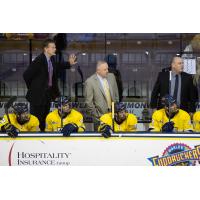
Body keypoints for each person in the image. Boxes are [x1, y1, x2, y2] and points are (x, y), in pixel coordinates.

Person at [23, 39, 77, 131]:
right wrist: (33, 88)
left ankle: (44, 139)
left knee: (44, 119)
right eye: (52, 47)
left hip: (47, 95)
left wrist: (69, 63)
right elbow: (26, 75)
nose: (55, 49)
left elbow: (58, 65)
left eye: (55, 47)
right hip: (37, 96)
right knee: (37, 121)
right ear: (46, 49)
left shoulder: (51, 59)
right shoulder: (39, 60)